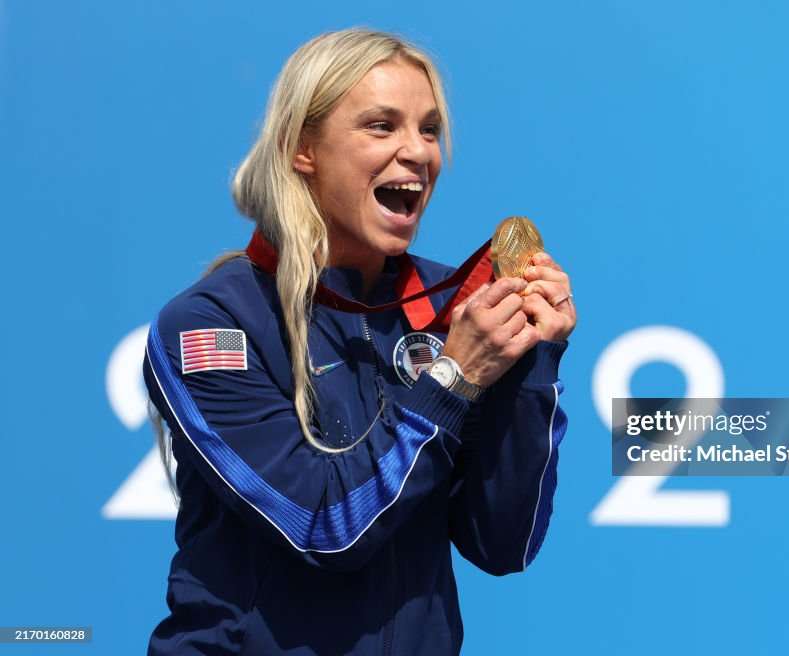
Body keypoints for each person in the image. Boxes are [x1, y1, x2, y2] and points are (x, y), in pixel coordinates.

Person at [141, 28, 576, 655]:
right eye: (381, 126)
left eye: (429, 130)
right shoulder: (213, 324)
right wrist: (452, 379)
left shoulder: (448, 310)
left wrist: (532, 361)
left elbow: (502, 543)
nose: (418, 152)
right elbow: (324, 526)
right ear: (302, 149)